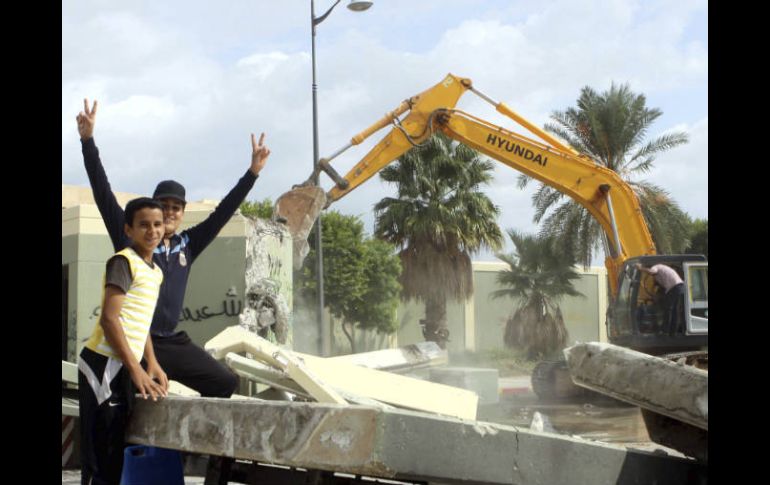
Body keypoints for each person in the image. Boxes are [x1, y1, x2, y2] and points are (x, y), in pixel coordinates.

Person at [77, 98, 271, 398]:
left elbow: (223, 212)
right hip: (137, 341)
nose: (169, 213)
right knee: (134, 396)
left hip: (171, 341)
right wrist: (88, 141)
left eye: (176, 208)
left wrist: (252, 173)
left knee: (225, 383)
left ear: (182, 213)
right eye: (163, 206)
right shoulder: (130, 240)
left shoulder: (187, 245)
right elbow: (102, 191)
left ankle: (194, 444)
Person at [78, 197, 169, 485]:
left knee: (118, 447)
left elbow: (140, 325)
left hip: (124, 365)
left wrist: (152, 362)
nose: (152, 231)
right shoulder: (123, 261)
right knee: (101, 453)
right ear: (128, 230)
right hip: (103, 362)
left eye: (157, 224)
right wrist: (136, 369)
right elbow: (110, 319)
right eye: (143, 225)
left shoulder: (156, 272)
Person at [635, 262, 685, 335]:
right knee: (674, 310)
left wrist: (641, 268)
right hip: (680, 287)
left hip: (674, 287)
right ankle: (672, 332)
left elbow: (652, 271)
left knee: (667, 308)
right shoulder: (662, 272)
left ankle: (664, 330)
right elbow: (661, 287)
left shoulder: (656, 266)